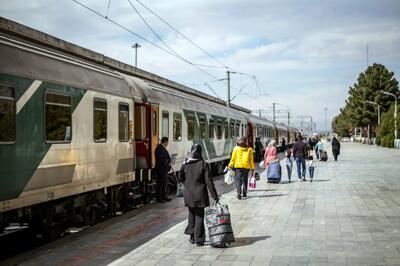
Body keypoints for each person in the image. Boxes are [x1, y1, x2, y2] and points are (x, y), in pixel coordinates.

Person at [180, 144, 218, 246]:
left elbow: (181, 177)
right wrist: (215, 196)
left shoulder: (185, 163)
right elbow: (209, 181)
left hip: (188, 194)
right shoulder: (203, 164)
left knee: (191, 215)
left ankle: (192, 237)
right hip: (200, 194)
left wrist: (187, 185)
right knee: (199, 216)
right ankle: (199, 239)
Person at [154, 137, 172, 203]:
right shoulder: (159, 149)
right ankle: (159, 198)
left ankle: (164, 196)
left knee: (164, 183)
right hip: (161, 169)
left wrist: (169, 160)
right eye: (167, 142)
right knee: (160, 184)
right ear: (165, 142)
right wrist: (167, 160)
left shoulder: (162, 148)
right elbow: (160, 159)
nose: (167, 143)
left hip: (164, 169)